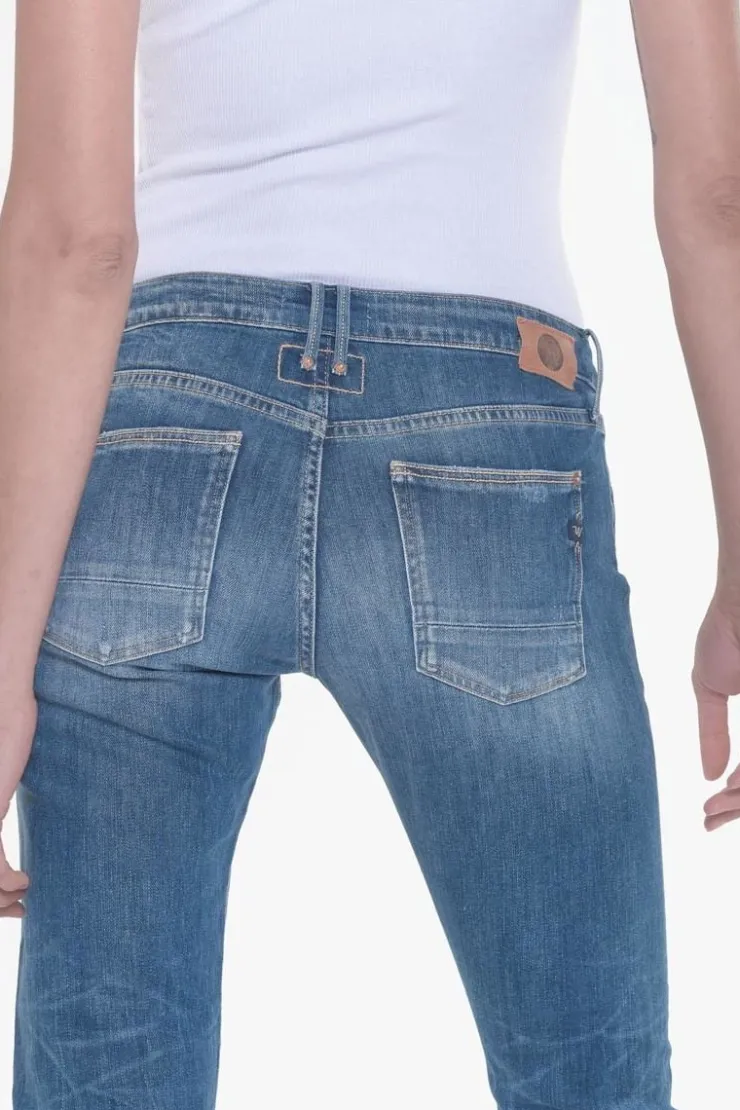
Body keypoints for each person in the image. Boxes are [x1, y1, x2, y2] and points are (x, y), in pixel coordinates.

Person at [1, 0, 739, 1105]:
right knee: (586, 1072)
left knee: (109, 1068)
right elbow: (718, 196)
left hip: (166, 430)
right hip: (486, 427)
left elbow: (77, 240)